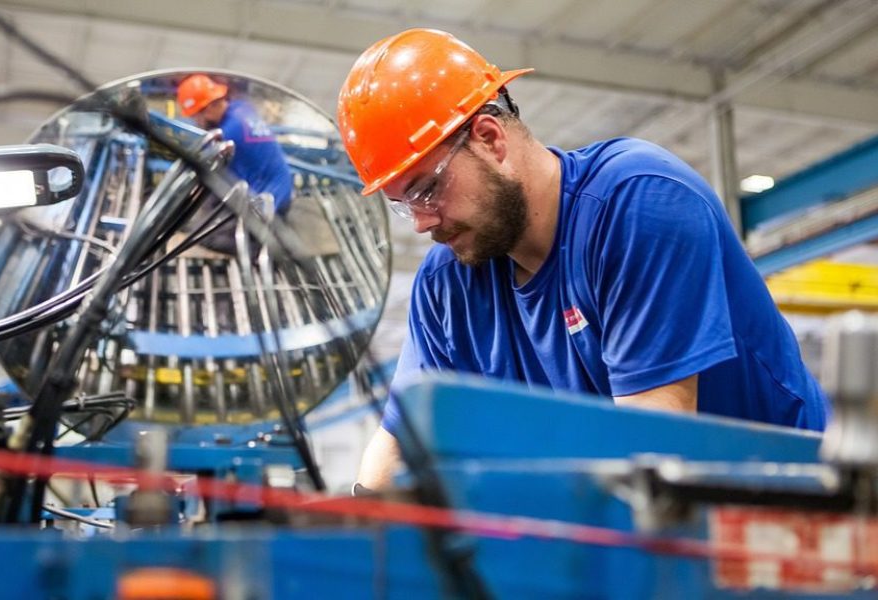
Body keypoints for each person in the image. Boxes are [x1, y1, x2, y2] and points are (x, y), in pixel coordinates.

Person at [336, 29, 831, 491]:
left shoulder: (638, 204)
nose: (422, 222)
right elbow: (400, 443)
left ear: (490, 139)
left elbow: (653, 448)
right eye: (404, 204)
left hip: (790, 514)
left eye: (427, 188)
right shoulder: (449, 284)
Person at [177, 75, 293, 254]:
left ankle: (268, 250)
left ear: (208, 109)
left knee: (202, 235)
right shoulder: (241, 108)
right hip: (281, 187)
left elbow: (207, 173)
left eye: (196, 116)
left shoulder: (227, 136)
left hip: (268, 204)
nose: (196, 122)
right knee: (210, 202)